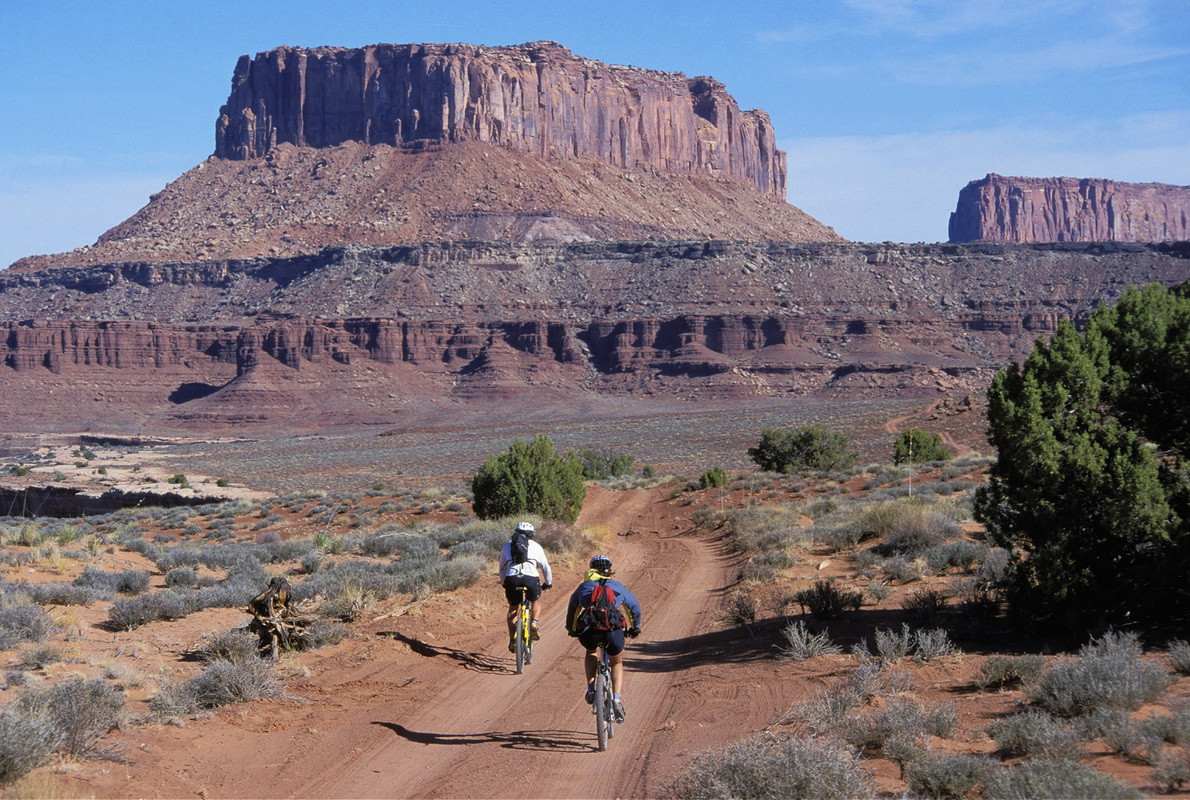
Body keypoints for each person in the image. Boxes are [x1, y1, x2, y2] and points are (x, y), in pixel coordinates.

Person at [565, 554, 642, 723]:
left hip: (590, 632)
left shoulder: (584, 587)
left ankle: (592, 690)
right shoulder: (617, 587)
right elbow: (633, 607)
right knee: (616, 661)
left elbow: (573, 608)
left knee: (591, 651)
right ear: (610, 570)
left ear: (591, 568)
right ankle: (616, 699)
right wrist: (635, 628)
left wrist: (571, 629)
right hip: (612, 632)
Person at [498, 521, 553, 653]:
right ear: (531, 534)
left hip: (512, 578)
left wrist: (503, 582)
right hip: (530, 578)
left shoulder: (508, 546)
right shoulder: (536, 546)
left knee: (513, 610)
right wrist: (548, 582)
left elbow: (501, 567)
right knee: (535, 600)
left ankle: (512, 640)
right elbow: (545, 567)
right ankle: (534, 622)